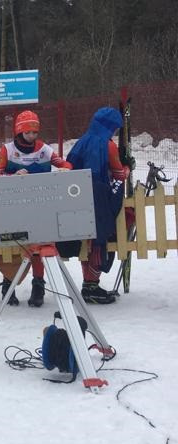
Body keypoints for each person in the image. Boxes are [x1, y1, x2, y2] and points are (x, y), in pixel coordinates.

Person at [0, 110, 73, 306]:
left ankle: (38, 287)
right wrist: (13, 176)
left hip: (41, 206)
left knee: (40, 246)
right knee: (14, 246)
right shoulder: (7, 150)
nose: (32, 137)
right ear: (19, 132)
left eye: (35, 133)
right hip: (14, 207)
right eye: (28, 133)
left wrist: (64, 169)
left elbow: (66, 164)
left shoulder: (44, 149)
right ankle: (8, 286)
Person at [65, 107, 131, 304]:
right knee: (101, 239)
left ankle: (89, 284)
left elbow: (69, 166)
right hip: (100, 198)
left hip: (77, 196)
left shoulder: (81, 141)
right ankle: (91, 286)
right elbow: (119, 175)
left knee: (88, 240)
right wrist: (127, 167)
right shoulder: (108, 145)